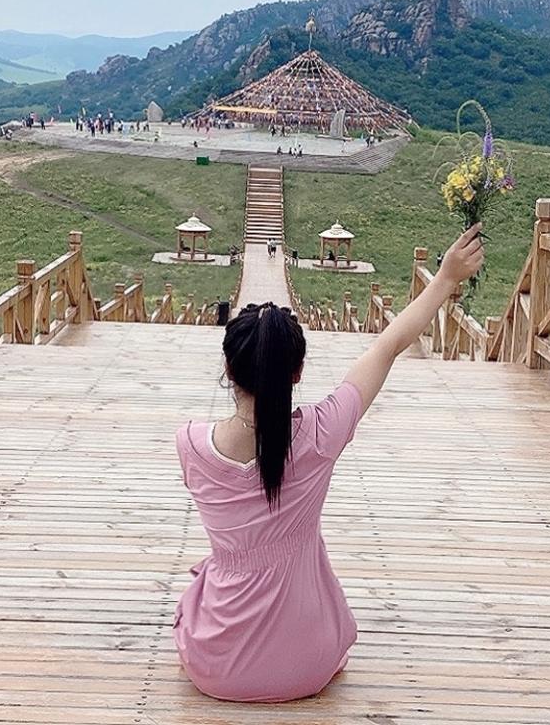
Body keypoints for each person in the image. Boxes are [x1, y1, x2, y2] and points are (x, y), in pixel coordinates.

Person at [173, 226, 484, 703]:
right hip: (305, 666)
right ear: (297, 373)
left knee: (201, 585)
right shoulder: (321, 435)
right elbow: (387, 347)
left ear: (228, 370)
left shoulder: (191, 444)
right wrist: (445, 278)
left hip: (216, 667)